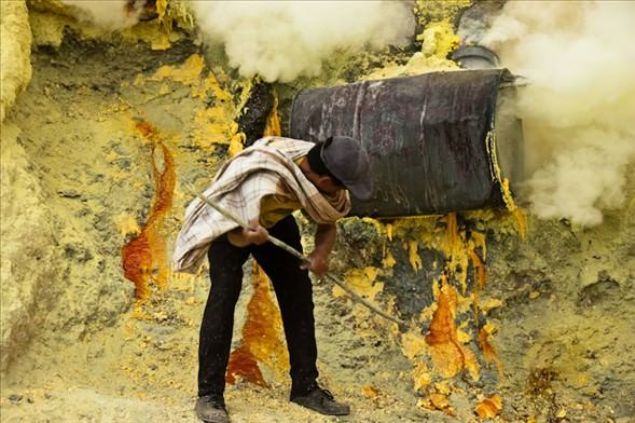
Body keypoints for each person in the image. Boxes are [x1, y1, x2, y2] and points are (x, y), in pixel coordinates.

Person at [173, 135, 372, 423]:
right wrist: (248, 237)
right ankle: (209, 395)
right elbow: (236, 237)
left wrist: (320, 254)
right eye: (341, 186)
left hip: (273, 223)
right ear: (326, 181)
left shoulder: (315, 174)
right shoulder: (266, 181)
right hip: (233, 223)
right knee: (224, 295)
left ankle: (305, 387)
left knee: (298, 291)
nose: (342, 192)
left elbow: (328, 223)